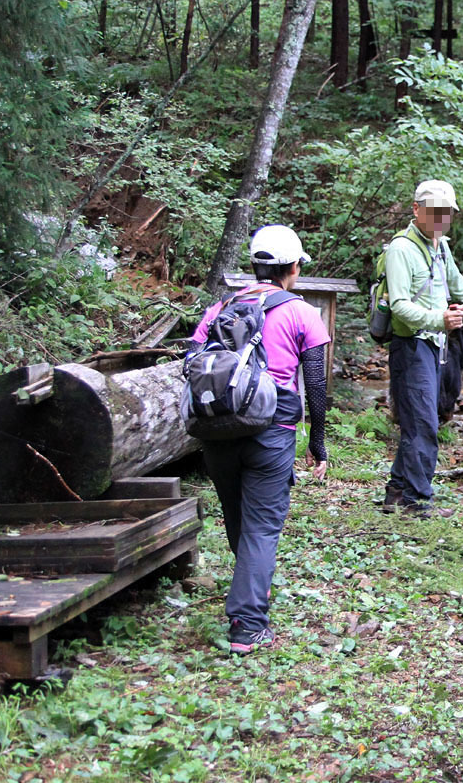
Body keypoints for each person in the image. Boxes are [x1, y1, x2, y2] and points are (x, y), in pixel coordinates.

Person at [191, 224, 330, 654]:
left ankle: (250, 591)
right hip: (272, 431)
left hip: (217, 429)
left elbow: (192, 361)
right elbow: (317, 384)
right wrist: (317, 442)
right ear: (293, 267)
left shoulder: (219, 310)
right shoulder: (301, 312)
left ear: (254, 265)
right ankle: (248, 624)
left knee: (237, 516)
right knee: (262, 527)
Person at [382, 180, 463, 517]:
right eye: (435, 212)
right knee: (423, 424)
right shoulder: (400, 250)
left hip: (434, 346)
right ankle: (417, 501)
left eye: (446, 214)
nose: (440, 219)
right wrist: (441, 319)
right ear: (417, 210)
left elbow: (456, 283)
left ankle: (397, 492)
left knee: (418, 421)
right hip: (411, 346)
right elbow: (399, 307)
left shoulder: (439, 245)